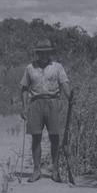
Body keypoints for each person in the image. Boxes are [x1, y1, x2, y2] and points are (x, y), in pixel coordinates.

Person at [19, 38, 72, 182]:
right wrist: (24, 108)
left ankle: (55, 171)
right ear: (37, 53)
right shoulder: (30, 67)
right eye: (40, 52)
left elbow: (64, 84)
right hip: (35, 103)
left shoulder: (58, 67)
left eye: (46, 52)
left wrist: (70, 97)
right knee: (36, 138)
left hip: (53, 102)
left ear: (50, 52)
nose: (43, 55)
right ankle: (36, 171)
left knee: (55, 137)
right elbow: (24, 88)